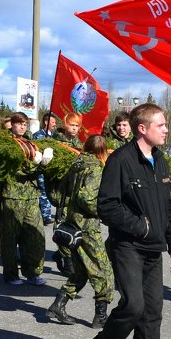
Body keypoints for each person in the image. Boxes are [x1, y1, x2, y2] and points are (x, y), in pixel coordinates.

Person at [88, 103, 171, 339]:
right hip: (127, 245)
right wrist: (139, 226)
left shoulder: (161, 160)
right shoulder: (120, 160)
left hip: (153, 249)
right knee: (133, 305)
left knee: (152, 312)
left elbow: (168, 206)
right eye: (161, 125)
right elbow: (106, 205)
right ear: (143, 129)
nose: (167, 129)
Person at [48, 134, 114, 328]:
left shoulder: (75, 165)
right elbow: (86, 198)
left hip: (72, 224)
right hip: (87, 228)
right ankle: (100, 316)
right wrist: (103, 211)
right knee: (104, 271)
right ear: (102, 151)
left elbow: (59, 194)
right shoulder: (95, 169)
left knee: (82, 270)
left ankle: (58, 305)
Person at [0, 112, 50, 285]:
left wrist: (44, 164)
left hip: (31, 196)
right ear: (11, 124)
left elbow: (39, 171)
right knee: (10, 238)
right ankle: (11, 274)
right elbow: (11, 169)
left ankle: (33, 272)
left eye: (25, 124)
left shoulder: (32, 143)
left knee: (35, 236)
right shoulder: (5, 143)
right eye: (19, 123)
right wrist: (33, 166)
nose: (22, 126)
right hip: (11, 195)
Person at [31, 112, 57, 225]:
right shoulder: (38, 135)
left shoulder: (53, 136)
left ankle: (45, 213)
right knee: (43, 191)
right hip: (41, 168)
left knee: (49, 191)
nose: (55, 125)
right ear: (46, 122)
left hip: (50, 169)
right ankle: (45, 216)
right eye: (53, 122)